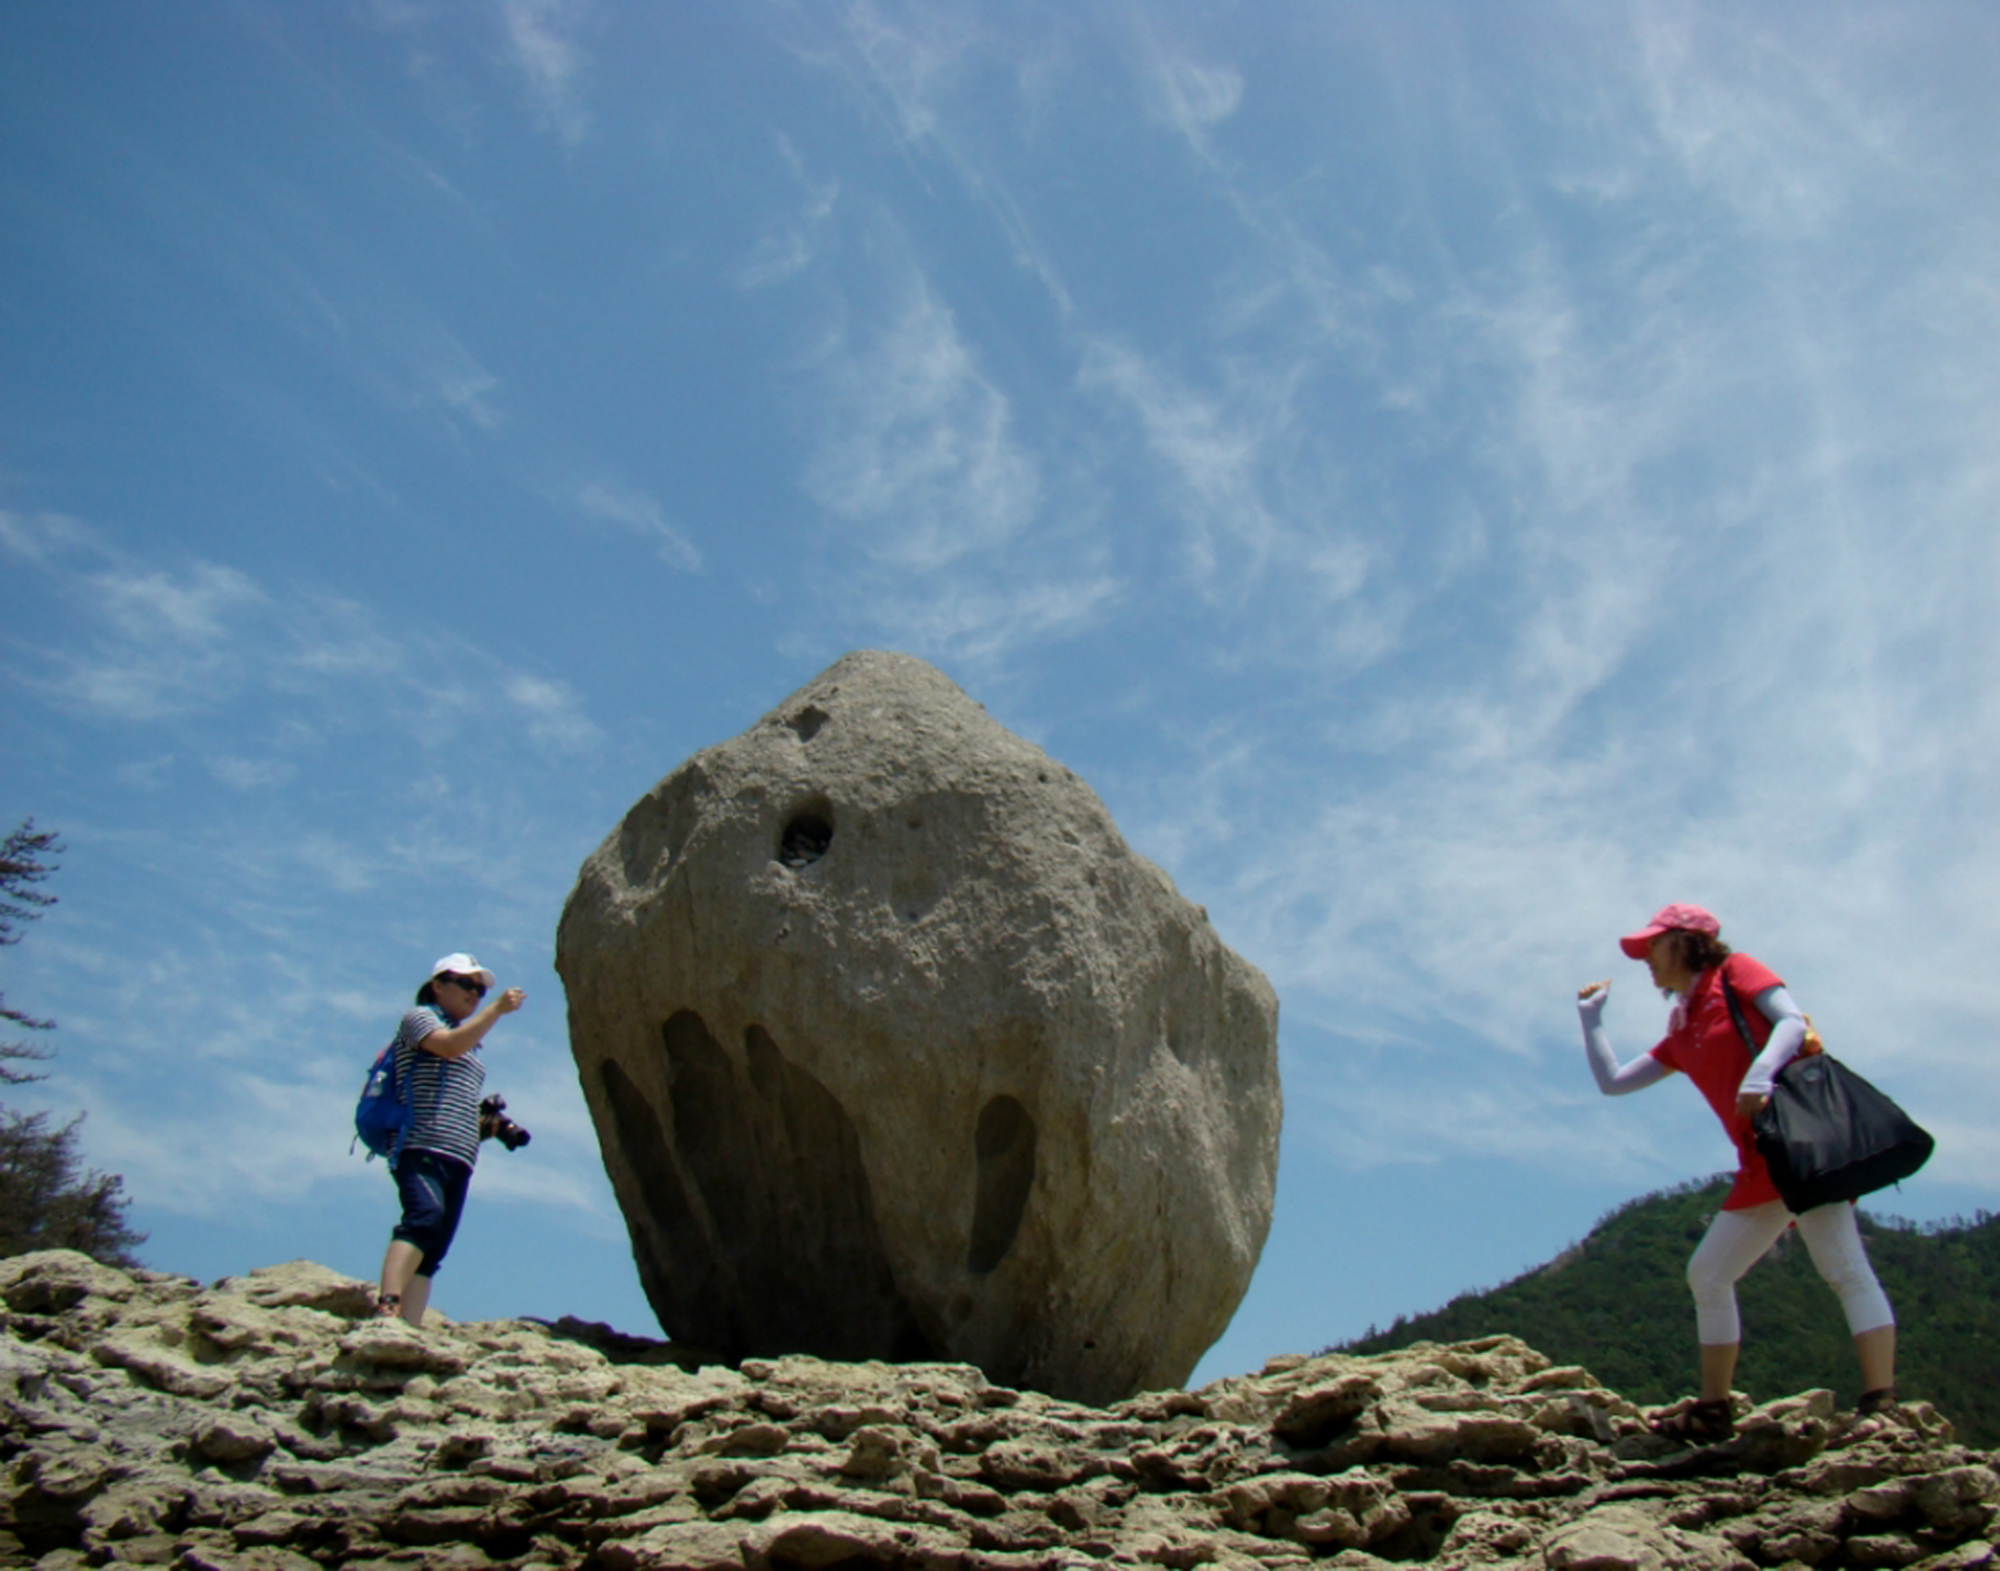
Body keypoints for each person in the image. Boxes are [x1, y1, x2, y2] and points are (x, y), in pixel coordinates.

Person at [1576, 904, 1897, 1441]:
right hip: (1760, 1166)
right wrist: (1592, 1020)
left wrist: (1763, 1073)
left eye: (1653, 946)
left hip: (1801, 1148)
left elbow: (1791, 1021)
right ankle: (1713, 1409)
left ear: (1686, 942)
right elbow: (1612, 1081)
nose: (1647, 960)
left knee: (1842, 1265)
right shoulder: (1682, 1025)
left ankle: (1881, 1403)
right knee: (1708, 1273)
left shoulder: (1737, 972)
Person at [375, 952, 525, 1326]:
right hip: (421, 1144)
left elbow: (454, 1087)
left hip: (459, 1154)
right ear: (438, 985)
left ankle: (408, 1328)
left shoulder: (472, 1044)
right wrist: (494, 1011)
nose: (474, 994)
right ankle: (387, 1307)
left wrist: (488, 1126)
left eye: (479, 989)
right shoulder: (419, 1019)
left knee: (435, 1246)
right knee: (422, 1218)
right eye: (466, 985)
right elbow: (447, 1046)